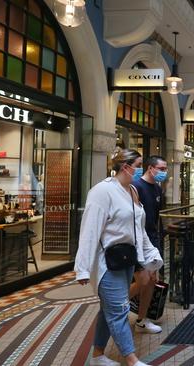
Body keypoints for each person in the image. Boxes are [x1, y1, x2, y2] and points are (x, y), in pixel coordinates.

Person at [75, 148, 163, 366]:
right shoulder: (102, 191)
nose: (142, 169)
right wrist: (82, 267)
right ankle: (131, 359)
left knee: (109, 309)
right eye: (139, 165)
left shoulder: (131, 190)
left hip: (126, 260)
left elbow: (138, 228)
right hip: (107, 262)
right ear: (126, 167)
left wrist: (150, 255)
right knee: (119, 311)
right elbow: (89, 230)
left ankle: (97, 356)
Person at [129, 155, 167, 334]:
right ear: (151, 168)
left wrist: (158, 240)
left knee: (152, 279)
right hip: (138, 240)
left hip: (153, 238)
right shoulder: (136, 187)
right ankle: (114, 302)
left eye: (165, 169)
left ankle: (142, 319)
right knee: (143, 280)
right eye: (161, 169)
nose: (164, 172)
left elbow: (156, 217)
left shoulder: (158, 189)